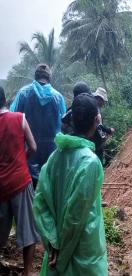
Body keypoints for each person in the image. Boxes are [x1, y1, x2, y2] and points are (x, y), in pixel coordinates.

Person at [33, 94, 108, 275]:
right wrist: (62, 256)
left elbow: (40, 203)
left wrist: (53, 243)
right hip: (83, 254)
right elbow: (75, 217)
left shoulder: (54, 157)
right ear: (96, 120)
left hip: (57, 249)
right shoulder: (90, 162)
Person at [0, 86, 40, 276]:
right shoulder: (19, 118)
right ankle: (28, 271)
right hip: (21, 181)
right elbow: (33, 146)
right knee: (27, 230)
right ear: (5, 99)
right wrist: (21, 160)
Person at [10, 64, 66, 186]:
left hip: (28, 151)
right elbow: (64, 124)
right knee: (48, 189)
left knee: (30, 190)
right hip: (52, 152)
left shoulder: (23, 94)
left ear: (35, 76)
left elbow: (13, 119)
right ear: (49, 78)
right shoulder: (58, 97)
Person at [92, 87, 115, 163]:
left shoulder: (91, 104)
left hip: (89, 138)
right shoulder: (94, 107)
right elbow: (98, 125)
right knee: (98, 156)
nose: (104, 103)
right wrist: (108, 130)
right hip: (93, 139)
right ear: (99, 99)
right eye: (103, 101)